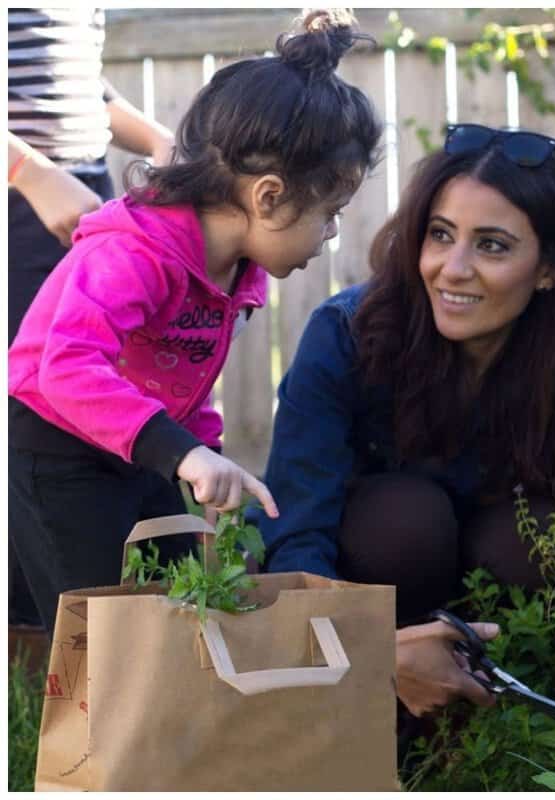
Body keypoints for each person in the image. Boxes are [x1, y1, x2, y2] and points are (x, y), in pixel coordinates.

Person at [8, 10, 381, 636]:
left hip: (143, 441)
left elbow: (181, 369)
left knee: (182, 605)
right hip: (60, 443)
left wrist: (206, 457)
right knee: (104, 632)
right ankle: (91, 724)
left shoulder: (236, 271)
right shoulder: (134, 253)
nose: (334, 231)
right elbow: (66, 367)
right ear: (267, 197)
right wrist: (182, 455)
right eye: (331, 211)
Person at [253, 123, 555, 717]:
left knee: (540, 535)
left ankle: (522, 712)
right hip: (366, 619)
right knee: (403, 520)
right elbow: (296, 533)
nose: (452, 269)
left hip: (511, 619)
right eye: (440, 235)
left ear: (551, 268)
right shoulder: (346, 336)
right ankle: (387, 719)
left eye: (492, 245)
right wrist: (368, 653)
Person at [8, 6, 175, 632]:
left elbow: (74, 83)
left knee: (81, 406)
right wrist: (29, 172)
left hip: (76, 184)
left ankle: (45, 635)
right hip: (22, 190)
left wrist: (158, 140)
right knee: (36, 420)